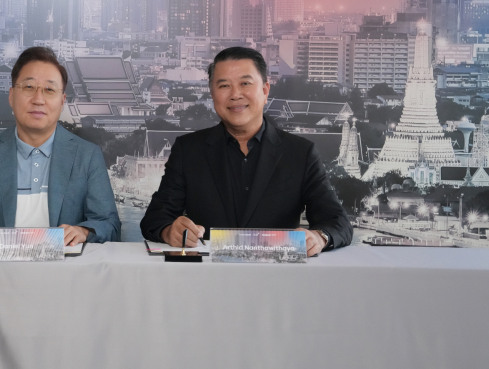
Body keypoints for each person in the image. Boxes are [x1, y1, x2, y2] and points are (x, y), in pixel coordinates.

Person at [140, 47, 352, 256]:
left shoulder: (300, 152)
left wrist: (319, 237)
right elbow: (155, 219)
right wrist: (169, 231)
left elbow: (338, 222)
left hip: (277, 273)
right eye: (224, 86)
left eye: (245, 84)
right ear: (212, 94)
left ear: (265, 90)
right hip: (207, 273)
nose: (235, 95)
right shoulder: (188, 150)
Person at [0, 46, 120, 247]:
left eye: (49, 90)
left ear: (62, 101)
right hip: (1, 263)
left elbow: (110, 225)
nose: (38, 99)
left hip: (65, 264)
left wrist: (84, 231)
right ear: (11, 96)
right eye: (28, 87)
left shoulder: (87, 156)